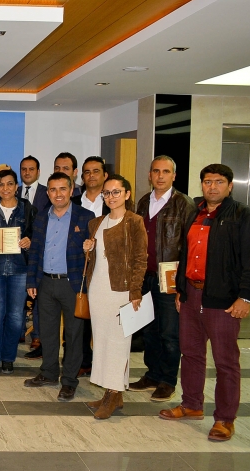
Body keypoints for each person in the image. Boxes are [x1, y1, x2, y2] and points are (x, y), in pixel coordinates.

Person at [160, 164, 250, 442]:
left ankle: (225, 419)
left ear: (230, 186)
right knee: (190, 354)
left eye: (219, 182)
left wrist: (245, 296)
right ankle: (191, 404)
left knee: (225, 362)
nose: (212, 187)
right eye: (207, 182)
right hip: (191, 294)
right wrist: (180, 289)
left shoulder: (242, 215)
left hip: (223, 300)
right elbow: (185, 252)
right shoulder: (195, 212)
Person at [129, 156, 196, 401]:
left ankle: (167, 380)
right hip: (145, 276)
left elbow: (189, 246)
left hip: (169, 278)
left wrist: (182, 284)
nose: (160, 176)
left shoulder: (184, 204)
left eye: (165, 171)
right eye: (156, 171)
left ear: (174, 176)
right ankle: (153, 375)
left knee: (169, 332)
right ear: (149, 175)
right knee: (149, 330)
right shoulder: (144, 201)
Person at [24, 172, 93, 401]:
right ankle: (49, 373)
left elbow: (93, 253)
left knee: (74, 335)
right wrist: (32, 281)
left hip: (73, 284)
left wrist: (90, 248)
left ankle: (70, 381)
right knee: (47, 332)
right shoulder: (41, 217)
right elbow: (35, 251)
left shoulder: (86, 217)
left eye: (63, 189)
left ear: (72, 190)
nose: (58, 194)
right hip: (45, 283)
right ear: (48, 193)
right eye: (53, 190)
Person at [82, 174, 147, 419]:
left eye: (116, 192)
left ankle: (112, 393)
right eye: (107, 193)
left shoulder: (134, 222)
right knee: (101, 341)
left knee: (119, 343)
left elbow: (140, 259)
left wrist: (136, 291)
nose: (111, 197)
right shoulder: (96, 223)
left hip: (121, 290)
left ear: (127, 194)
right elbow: (96, 258)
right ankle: (113, 394)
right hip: (97, 289)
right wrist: (88, 249)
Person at [0, 169, 36, 376]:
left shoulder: (27, 208)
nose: (5, 188)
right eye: (1, 184)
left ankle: (8, 359)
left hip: (20, 270)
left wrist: (29, 241)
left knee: (15, 317)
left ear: (16, 186)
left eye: (10, 184)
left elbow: (35, 237)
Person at [73, 156, 110, 377]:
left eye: (96, 171)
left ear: (105, 175)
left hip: (107, 268)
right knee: (80, 316)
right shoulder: (73, 202)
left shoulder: (113, 201)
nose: (91, 175)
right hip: (80, 267)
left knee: (105, 319)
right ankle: (83, 361)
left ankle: (105, 366)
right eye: (87, 172)